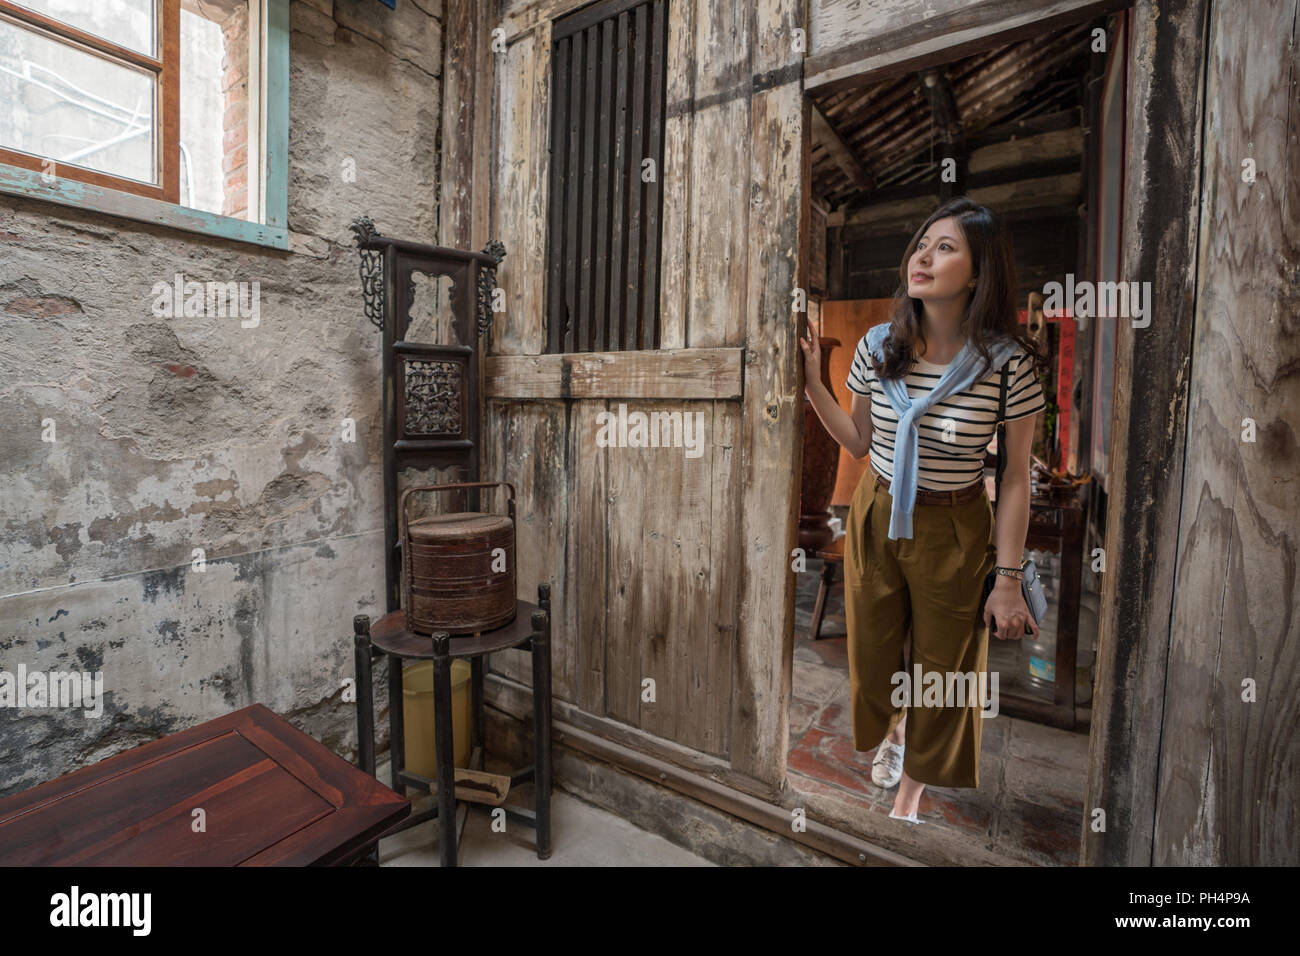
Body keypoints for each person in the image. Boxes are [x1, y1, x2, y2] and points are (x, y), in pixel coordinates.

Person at [800, 196, 1046, 824]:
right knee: (877, 653)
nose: (923, 257)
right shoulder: (880, 345)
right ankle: (894, 728)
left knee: (947, 669)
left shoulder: (1008, 364)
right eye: (921, 244)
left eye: (945, 247)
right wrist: (811, 384)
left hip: (956, 525)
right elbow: (858, 442)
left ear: (980, 269)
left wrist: (1010, 581)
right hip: (876, 515)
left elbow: (1016, 478)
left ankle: (908, 801)